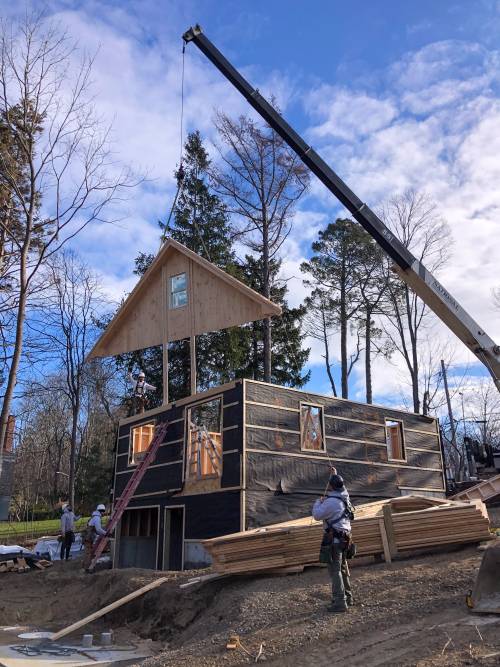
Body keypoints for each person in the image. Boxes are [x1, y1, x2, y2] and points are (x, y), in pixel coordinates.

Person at [312, 467, 353, 613]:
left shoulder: (331, 502)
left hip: (335, 540)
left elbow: (317, 515)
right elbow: (341, 486)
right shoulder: (344, 496)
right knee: (342, 568)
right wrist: (335, 474)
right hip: (345, 539)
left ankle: (340, 602)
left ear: (330, 486)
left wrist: (318, 502)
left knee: (335, 571)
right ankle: (348, 597)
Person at [82, 503, 107, 570]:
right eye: (103, 512)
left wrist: (102, 532)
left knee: (87, 552)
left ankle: (85, 566)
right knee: (88, 553)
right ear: (101, 511)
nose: (103, 513)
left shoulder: (94, 516)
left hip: (88, 537)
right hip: (88, 537)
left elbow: (96, 530)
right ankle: (86, 568)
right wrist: (105, 533)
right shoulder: (97, 518)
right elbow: (98, 529)